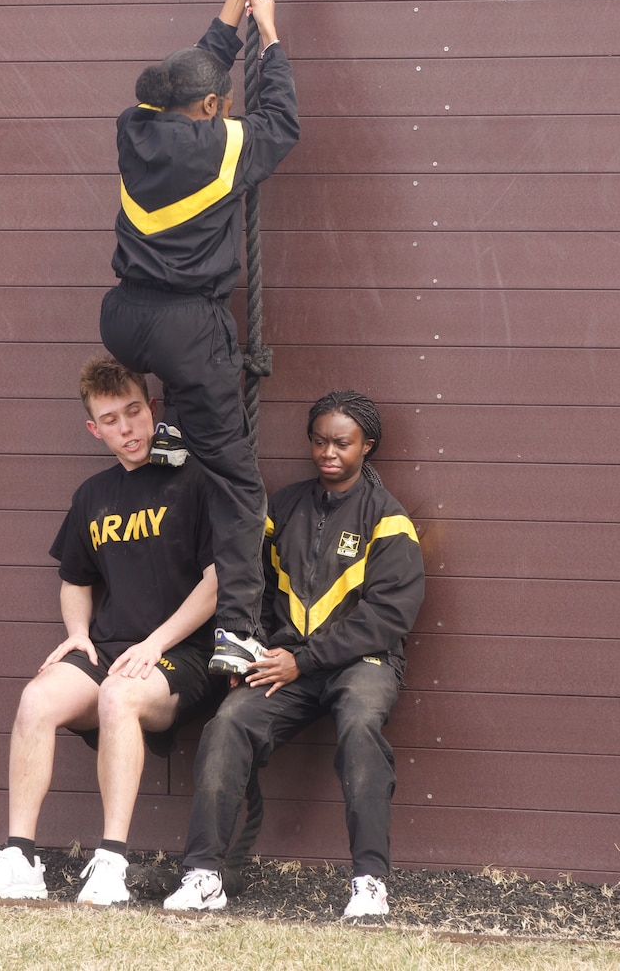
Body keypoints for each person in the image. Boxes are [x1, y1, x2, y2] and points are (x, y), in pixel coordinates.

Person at [99, 0, 299, 678]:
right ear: (213, 109)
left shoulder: (135, 126)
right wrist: (269, 34)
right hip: (185, 328)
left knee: (189, 374)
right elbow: (279, 121)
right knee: (241, 484)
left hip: (124, 317)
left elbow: (200, 72)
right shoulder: (222, 147)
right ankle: (237, 631)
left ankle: (173, 429)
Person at [0, 357, 223, 907]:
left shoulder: (195, 480)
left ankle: (111, 863)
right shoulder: (92, 496)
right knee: (37, 698)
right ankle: (20, 860)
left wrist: (156, 644)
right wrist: (78, 633)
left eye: (133, 412)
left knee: (118, 695)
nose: (126, 428)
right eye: (111, 420)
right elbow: (74, 579)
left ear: (152, 410)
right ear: (94, 429)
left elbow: (216, 583)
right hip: (108, 648)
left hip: (184, 655)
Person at [165, 390, 425, 919]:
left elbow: (389, 618)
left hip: (363, 663)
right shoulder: (281, 506)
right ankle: (203, 873)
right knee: (229, 723)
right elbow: (251, 585)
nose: (329, 451)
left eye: (343, 443)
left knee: (359, 725)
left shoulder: (389, 519)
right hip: (287, 662)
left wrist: (303, 660)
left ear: (366, 445)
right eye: (320, 440)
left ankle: (369, 881)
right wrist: (251, 651)